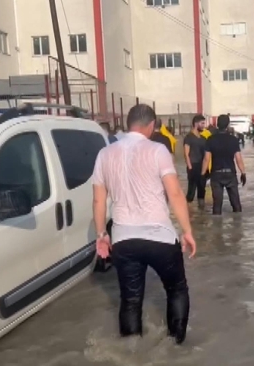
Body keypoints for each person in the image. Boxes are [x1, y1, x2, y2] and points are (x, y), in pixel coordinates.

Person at [92, 104, 196, 344]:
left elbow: (98, 199)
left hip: (124, 239)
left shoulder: (105, 154)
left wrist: (101, 235)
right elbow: (176, 194)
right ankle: (176, 345)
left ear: (129, 124)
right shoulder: (158, 150)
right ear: (151, 125)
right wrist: (187, 231)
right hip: (160, 236)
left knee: (130, 299)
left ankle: (131, 351)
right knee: (177, 289)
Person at [201, 114, 246, 215]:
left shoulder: (210, 140)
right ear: (228, 125)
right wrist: (243, 173)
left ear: (217, 124)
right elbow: (238, 159)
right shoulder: (233, 140)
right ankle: (238, 227)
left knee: (217, 205)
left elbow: (206, 159)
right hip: (230, 174)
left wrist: (203, 174)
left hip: (216, 174)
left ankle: (217, 229)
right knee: (236, 204)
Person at [183, 115, 207, 205]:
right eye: (202, 123)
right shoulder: (189, 137)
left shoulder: (203, 138)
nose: (204, 125)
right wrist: (190, 167)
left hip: (202, 167)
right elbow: (186, 153)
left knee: (202, 191)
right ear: (196, 124)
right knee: (191, 192)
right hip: (193, 166)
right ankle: (188, 213)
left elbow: (206, 155)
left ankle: (201, 213)